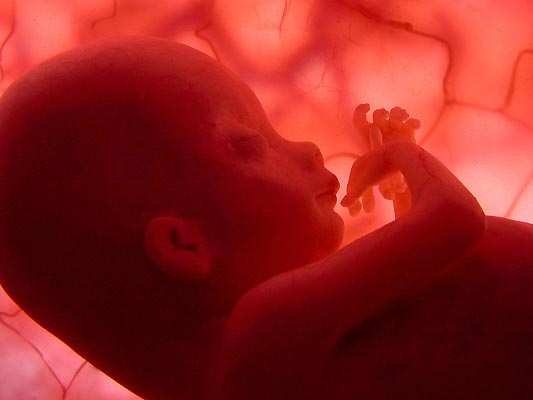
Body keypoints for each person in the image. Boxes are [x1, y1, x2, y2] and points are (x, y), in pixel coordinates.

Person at [0, 36, 530, 400]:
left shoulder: (251, 364)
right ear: (185, 245)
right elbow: (455, 221)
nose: (307, 150)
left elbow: (409, 327)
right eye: (250, 145)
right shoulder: (263, 331)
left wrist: (401, 208)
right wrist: (405, 157)